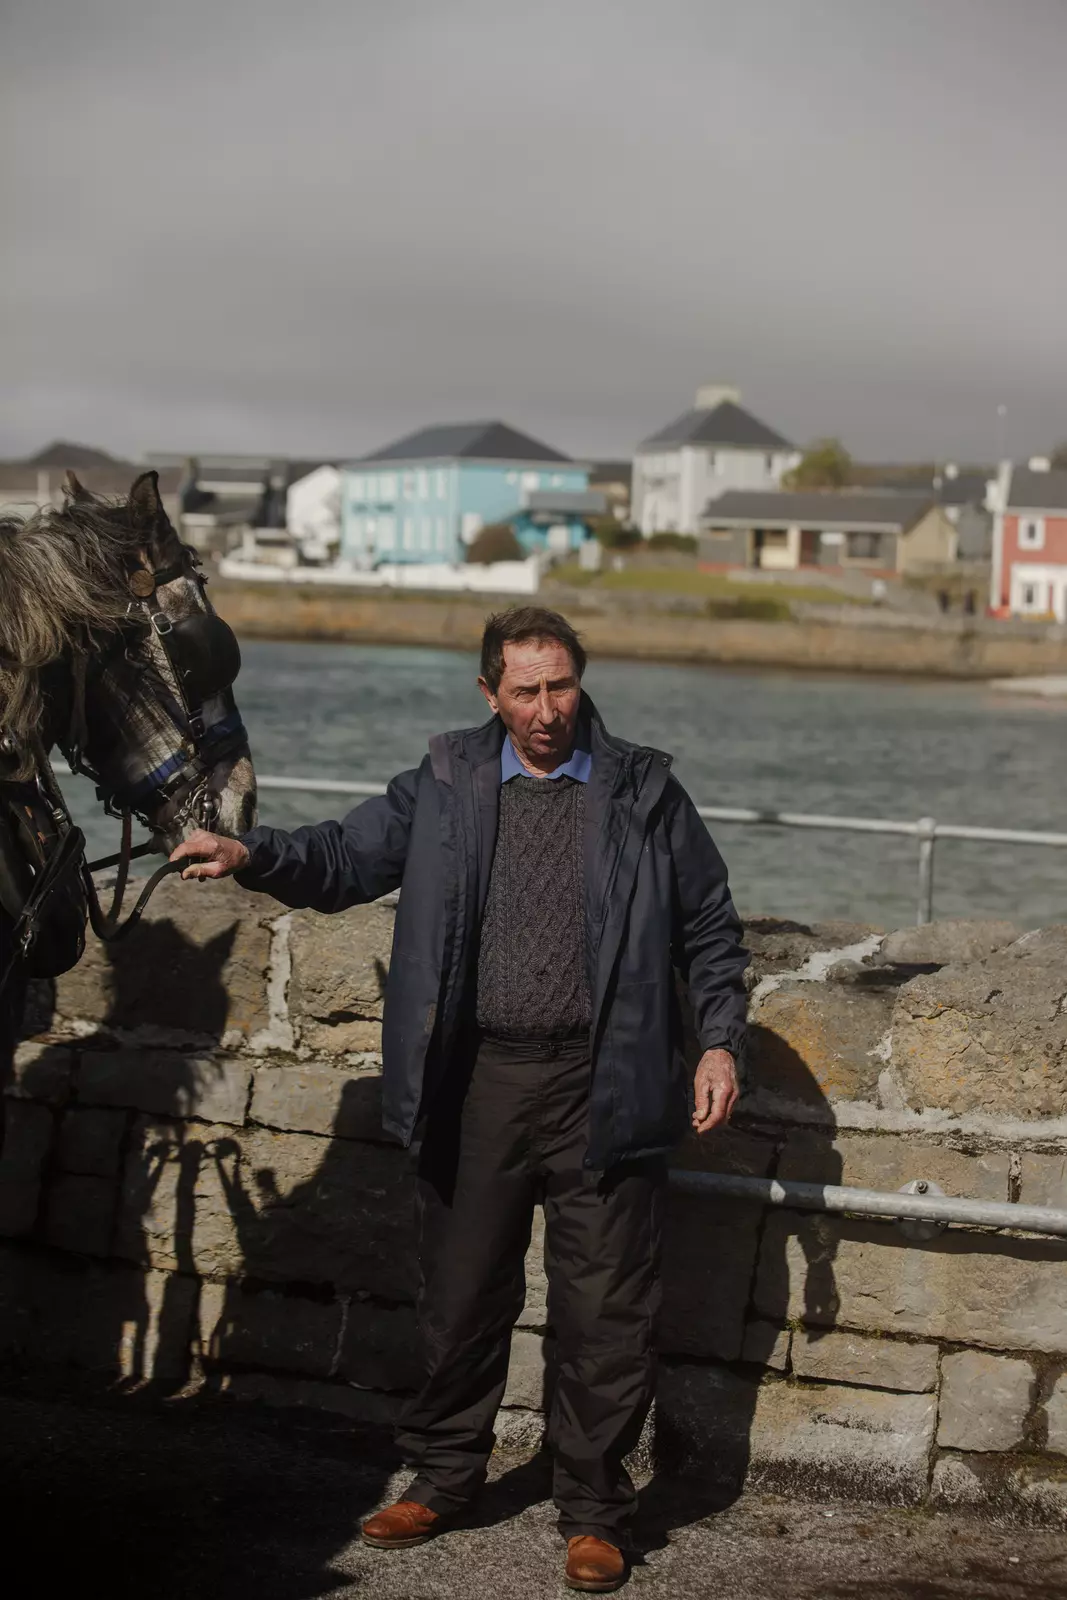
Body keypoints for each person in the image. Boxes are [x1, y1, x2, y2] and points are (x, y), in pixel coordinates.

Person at [172, 606, 749, 1594]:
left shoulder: (644, 789)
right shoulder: (444, 781)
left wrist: (721, 1042)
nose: (546, 710)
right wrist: (250, 853)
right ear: (489, 693)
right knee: (460, 1294)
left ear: (579, 682)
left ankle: (594, 1513)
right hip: (477, 1080)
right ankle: (443, 1478)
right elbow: (346, 857)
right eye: (524, 691)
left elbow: (708, 927)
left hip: (606, 1080)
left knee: (604, 1310)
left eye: (560, 686)